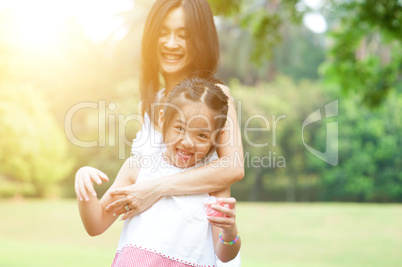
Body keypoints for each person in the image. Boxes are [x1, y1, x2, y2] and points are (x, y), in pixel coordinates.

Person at [77, 0, 244, 265]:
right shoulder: (148, 104)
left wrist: (155, 188)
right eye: (163, 33)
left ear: (200, 39)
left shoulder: (216, 99)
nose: (170, 43)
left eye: (183, 34)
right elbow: (100, 219)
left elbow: (232, 167)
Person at [76, 78, 241, 266]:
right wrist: (85, 190)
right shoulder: (138, 169)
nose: (188, 141)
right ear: (163, 120)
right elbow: (96, 224)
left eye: (202, 135)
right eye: (180, 128)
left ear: (217, 138)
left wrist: (230, 233)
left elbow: (225, 255)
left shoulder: (214, 184)